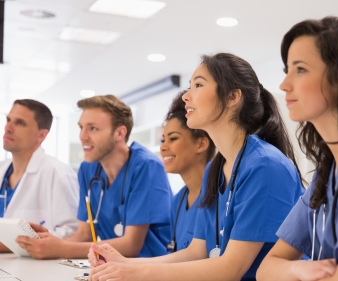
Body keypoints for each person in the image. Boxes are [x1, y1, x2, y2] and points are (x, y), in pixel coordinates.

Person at [87, 53, 304, 281]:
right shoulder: (215, 169)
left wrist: (135, 272)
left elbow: (232, 268)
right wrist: (125, 263)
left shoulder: (265, 165)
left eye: (198, 85)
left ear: (232, 97)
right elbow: (195, 252)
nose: (186, 97)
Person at [257, 17, 338, 281]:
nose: (284, 85)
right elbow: (267, 269)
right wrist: (300, 268)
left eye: (300, 69)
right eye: (287, 70)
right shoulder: (326, 172)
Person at [16, 95, 173, 259]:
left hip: (151, 267)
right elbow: (85, 233)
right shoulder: (88, 169)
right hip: (113, 267)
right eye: (81, 127)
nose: (82, 136)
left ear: (119, 133)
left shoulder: (146, 166)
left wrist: (61, 249)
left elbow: (131, 245)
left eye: (93, 128)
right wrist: (47, 245)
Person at [0, 99, 79, 253]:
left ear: (41, 135)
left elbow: (73, 232)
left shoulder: (57, 172)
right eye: (8, 120)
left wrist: (15, 243)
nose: (8, 128)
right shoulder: (2, 169)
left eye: (20, 123)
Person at [161, 91, 216, 253]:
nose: (163, 147)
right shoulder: (177, 201)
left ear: (201, 144)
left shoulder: (218, 196)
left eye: (173, 138)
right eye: (163, 140)